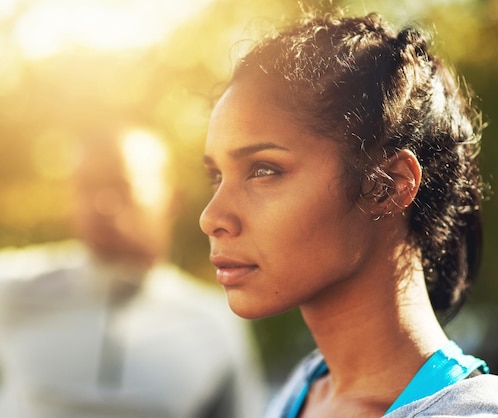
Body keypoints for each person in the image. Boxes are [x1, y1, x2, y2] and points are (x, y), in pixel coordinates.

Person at [198, 11, 498, 417]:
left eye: (263, 170)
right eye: (217, 175)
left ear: (388, 185)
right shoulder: (299, 396)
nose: (211, 217)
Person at [0, 125, 266, 418]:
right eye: (86, 186)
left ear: (172, 199)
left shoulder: (216, 320)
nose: (102, 204)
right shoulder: (11, 286)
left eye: (121, 184)